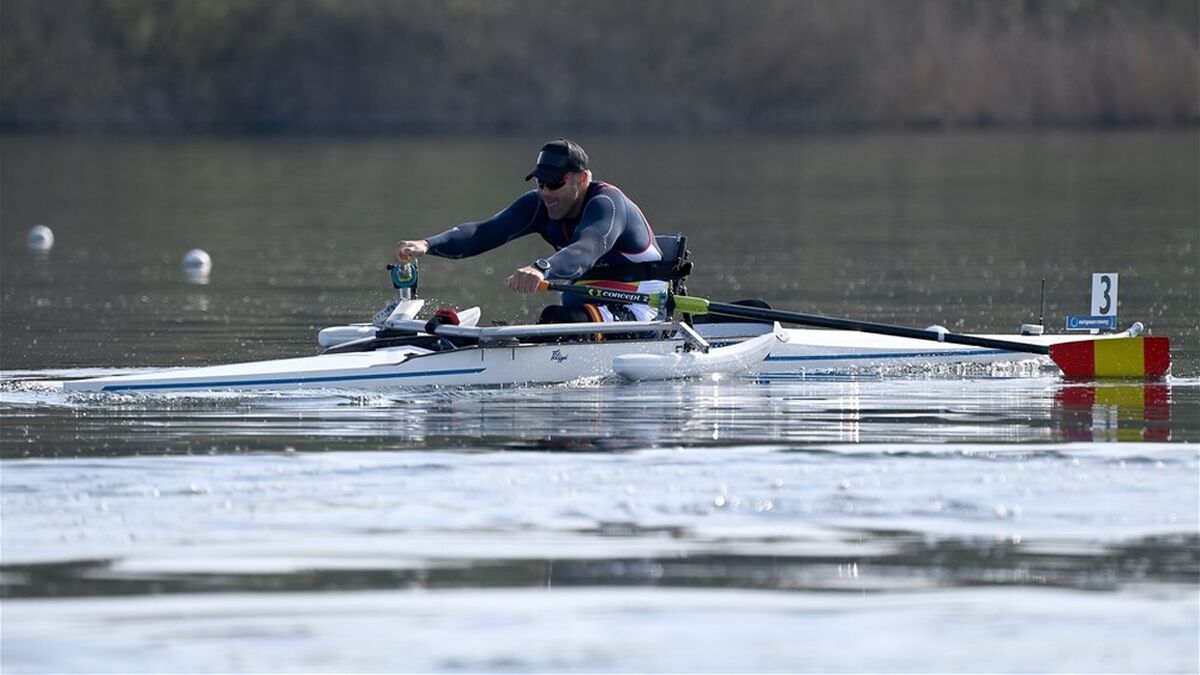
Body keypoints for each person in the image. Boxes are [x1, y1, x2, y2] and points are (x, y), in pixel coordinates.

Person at [395, 139, 685, 325]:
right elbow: (485, 232)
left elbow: (586, 249)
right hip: (586, 308)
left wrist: (540, 268)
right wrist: (427, 244)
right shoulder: (539, 206)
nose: (545, 191)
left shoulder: (607, 204)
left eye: (554, 183)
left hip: (641, 308)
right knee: (556, 321)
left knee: (556, 319)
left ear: (581, 179)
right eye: (540, 183)